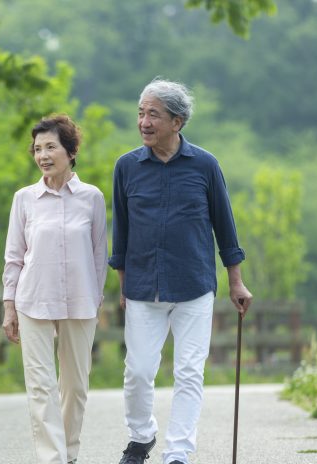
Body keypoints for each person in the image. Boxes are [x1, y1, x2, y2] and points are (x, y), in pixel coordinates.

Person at [109, 78, 253, 464]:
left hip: (194, 286)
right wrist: (122, 284)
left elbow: (225, 225)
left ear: (178, 121)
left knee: (189, 372)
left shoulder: (205, 165)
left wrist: (236, 281)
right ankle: (141, 438)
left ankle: (178, 453)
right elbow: (120, 231)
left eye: (153, 114)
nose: (144, 122)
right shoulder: (126, 167)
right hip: (142, 287)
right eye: (140, 113)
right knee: (138, 372)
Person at [2, 114, 108, 464]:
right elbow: (14, 256)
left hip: (81, 302)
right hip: (32, 300)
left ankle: (69, 453)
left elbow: (98, 255)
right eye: (37, 149)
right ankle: (53, 458)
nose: (43, 155)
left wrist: (96, 299)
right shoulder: (24, 199)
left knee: (74, 386)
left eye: (51, 147)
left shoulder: (92, 198)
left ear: (71, 150)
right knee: (41, 385)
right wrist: (9, 305)